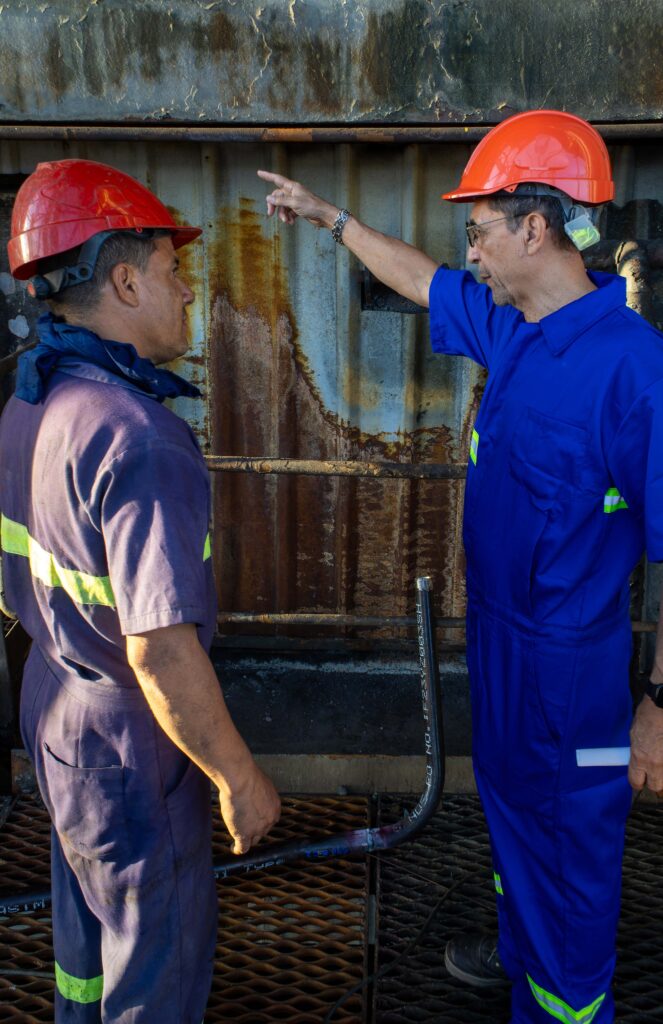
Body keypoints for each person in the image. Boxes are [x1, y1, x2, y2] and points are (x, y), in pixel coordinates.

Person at [258, 110, 663, 1024]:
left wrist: (658, 711)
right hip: (497, 645)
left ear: (535, 225)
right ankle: (521, 954)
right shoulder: (513, 327)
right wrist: (330, 218)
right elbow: (419, 279)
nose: (469, 252)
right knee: (513, 814)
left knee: (569, 841)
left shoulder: (635, 372)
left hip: (572, 675)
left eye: (479, 230)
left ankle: (563, 1005)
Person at [0, 159, 281, 1024]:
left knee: (87, 949)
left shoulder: (29, 401)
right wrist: (237, 777)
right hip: (131, 742)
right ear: (123, 280)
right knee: (156, 967)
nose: (189, 293)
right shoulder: (138, 436)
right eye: (172, 271)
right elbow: (159, 650)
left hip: (55, 707)